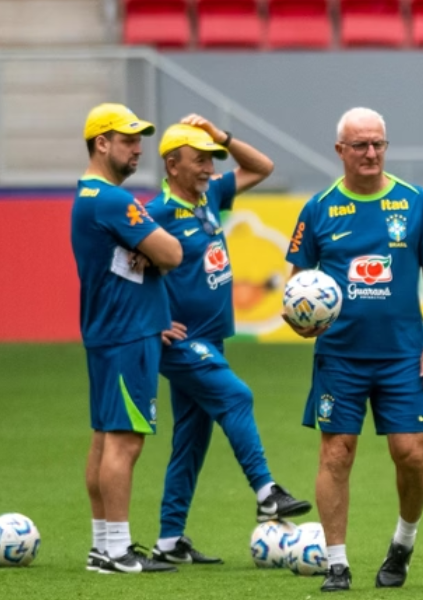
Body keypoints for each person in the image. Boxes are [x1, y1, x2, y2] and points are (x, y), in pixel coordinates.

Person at [284, 107, 423, 592]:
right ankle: (336, 563)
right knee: (337, 454)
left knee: (412, 454)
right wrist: (299, 318)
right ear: (340, 150)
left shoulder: (415, 201)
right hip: (339, 355)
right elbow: (298, 281)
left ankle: (403, 543)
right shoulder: (318, 208)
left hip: (403, 353)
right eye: (360, 145)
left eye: (378, 143)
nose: (371, 153)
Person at [145, 115, 312, 565]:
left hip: (210, 338)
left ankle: (168, 543)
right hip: (181, 343)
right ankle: (266, 492)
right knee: (237, 396)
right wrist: (152, 321)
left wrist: (222, 137)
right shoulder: (155, 213)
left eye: (210, 160)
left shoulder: (209, 198)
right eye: (199, 159)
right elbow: (117, 269)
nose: (207, 168)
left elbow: (263, 168)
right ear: (171, 164)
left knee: (191, 440)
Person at [71, 103, 183, 575]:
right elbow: (173, 253)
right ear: (102, 143)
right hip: (127, 335)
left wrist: (147, 257)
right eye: (128, 139)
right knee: (125, 442)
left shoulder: (88, 197)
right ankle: (116, 550)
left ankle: (103, 544)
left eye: (139, 139)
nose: (139, 149)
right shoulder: (114, 201)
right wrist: (154, 254)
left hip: (107, 332)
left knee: (104, 439)